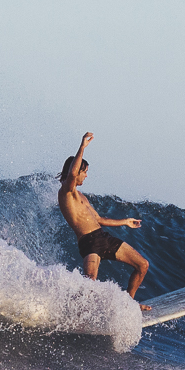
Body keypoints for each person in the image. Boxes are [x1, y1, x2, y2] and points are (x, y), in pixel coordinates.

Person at [58, 132, 151, 309]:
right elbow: (71, 174)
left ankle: (129, 303)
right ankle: (73, 312)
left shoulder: (81, 196)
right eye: (84, 172)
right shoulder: (66, 192)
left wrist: (125, 222)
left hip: (103, 238)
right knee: (90, 282)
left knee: (142, 265)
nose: (86, 176)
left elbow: (99, 219)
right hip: (89, 243)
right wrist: (82, 147)